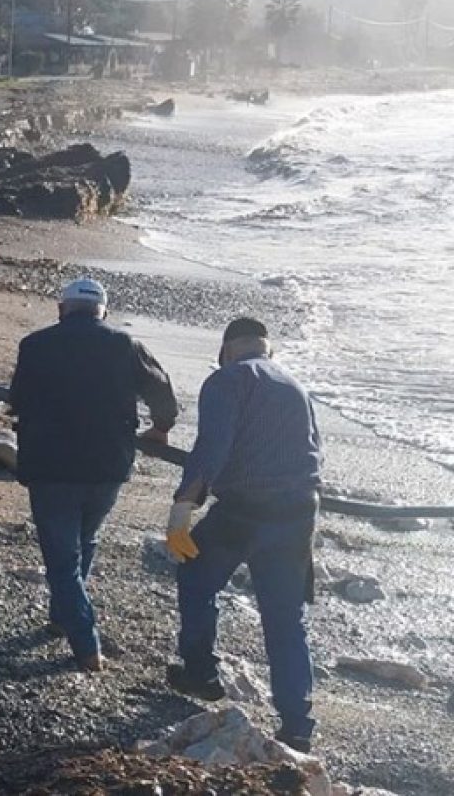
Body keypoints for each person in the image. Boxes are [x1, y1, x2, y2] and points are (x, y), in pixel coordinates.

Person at [165, 317, 322, 752]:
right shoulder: (296, 386)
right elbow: (316, 451)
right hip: (298, 513)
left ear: (226, 348)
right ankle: (296, 725)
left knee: (195, 578)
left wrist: (184, 504)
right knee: (285, 618)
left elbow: (212, 446)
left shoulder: (227, 380)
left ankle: (200, 671)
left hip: (244, 510)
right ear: (267, 348)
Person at [10, 277, 178, 672]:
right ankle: (60, 616)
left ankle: (86, 645)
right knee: (84, 539)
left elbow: (16, 399)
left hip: (50, 466)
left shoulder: (35, 345)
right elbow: (161, 390)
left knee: (62, 556)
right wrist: (161, 429)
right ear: (104, 311)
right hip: (107, 464)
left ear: (61, 309)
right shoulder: (124, 345)